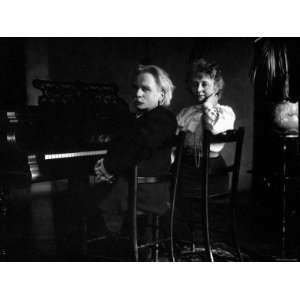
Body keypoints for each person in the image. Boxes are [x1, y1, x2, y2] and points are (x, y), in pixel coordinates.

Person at [92, 64, 177, 234]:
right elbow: (124, 146)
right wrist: (107, 166)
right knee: (91, 197)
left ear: (161, 94)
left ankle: (113, 248)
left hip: (146, 191)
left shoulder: (162, 118)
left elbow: (138, 148)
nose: (138, 94)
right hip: (136, 184)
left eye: (145, 89)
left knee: (85, 200)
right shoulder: (144, 118)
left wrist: (108, 167)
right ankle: (118, 243)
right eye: (136, 88)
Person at [177, 58, 235, 203]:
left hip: (212, 172)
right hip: (185, 168)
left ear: (216, 87)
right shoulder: (186, 112)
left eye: (204, 84)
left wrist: (208, 106)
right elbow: (174, 142)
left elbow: (214, 131)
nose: (198, 89)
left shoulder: (225, 113)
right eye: (195, 84)